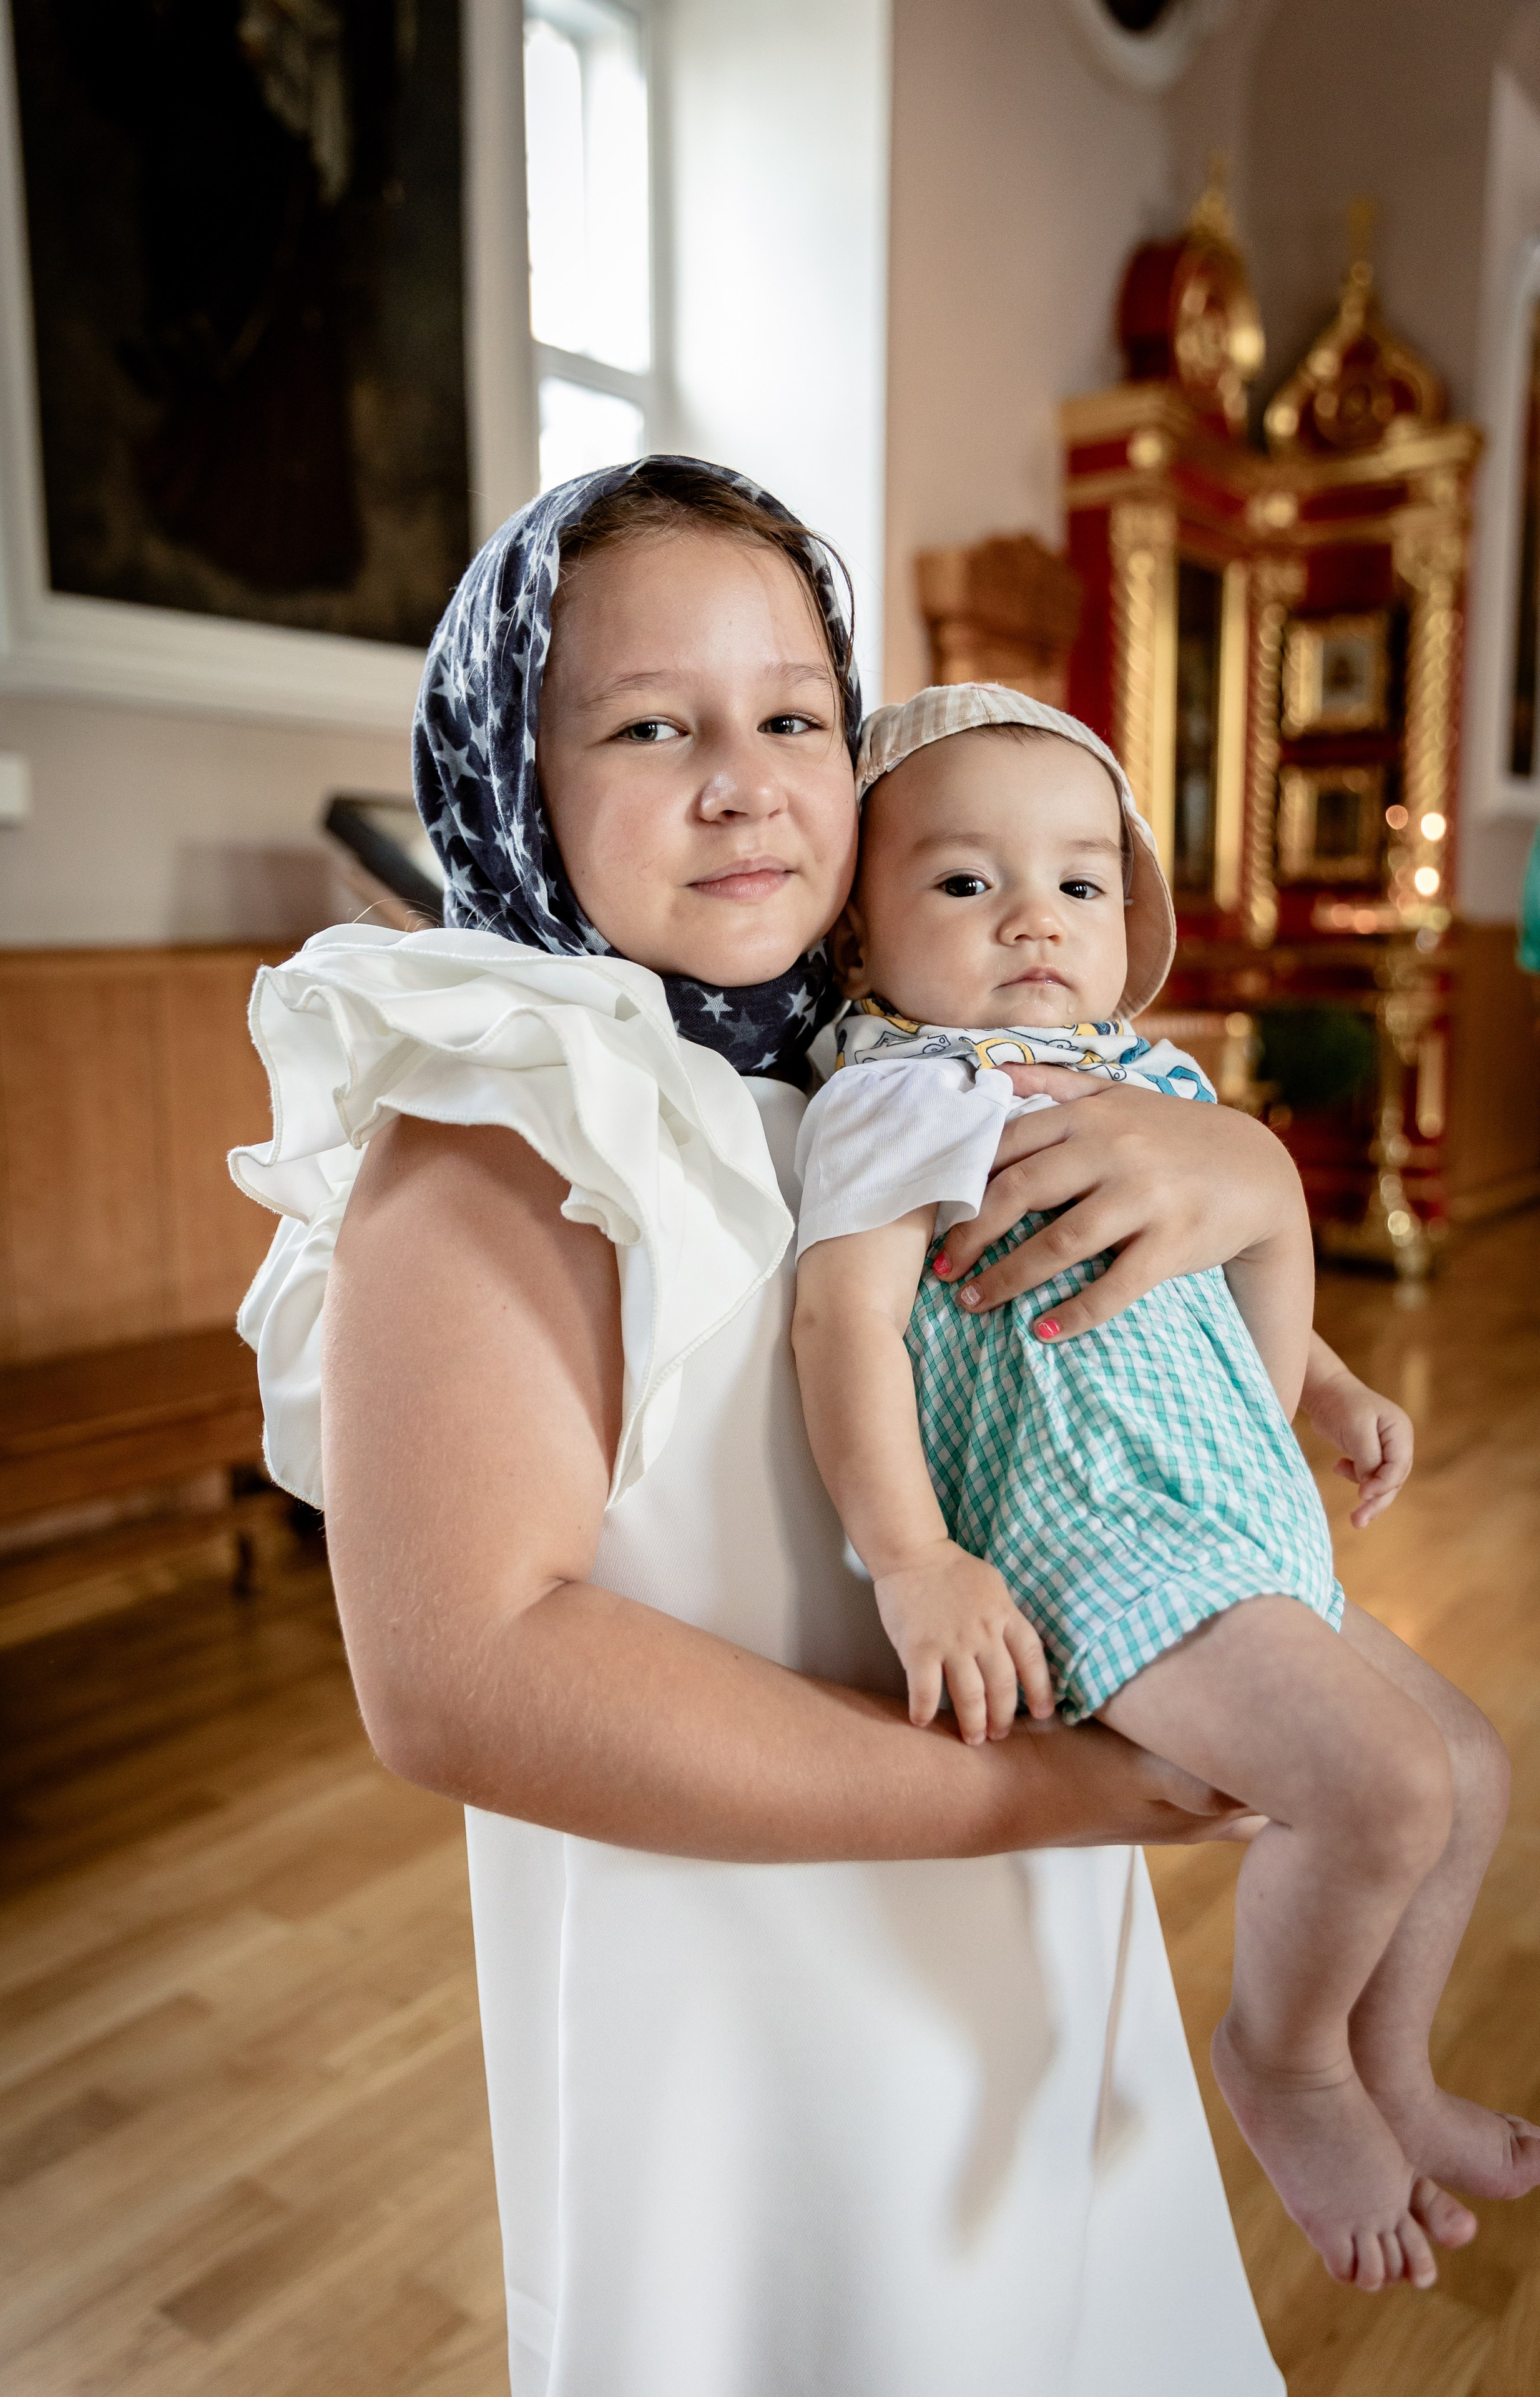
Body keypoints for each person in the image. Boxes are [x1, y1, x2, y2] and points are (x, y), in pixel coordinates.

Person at [230, 458, 1471, 2396]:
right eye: (652, 727)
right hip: (749, 2005)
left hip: (1010, 1926)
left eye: (796, 719)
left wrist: (1240, 1172)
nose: (745, 784)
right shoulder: (499, 1132)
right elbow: (462, 1680)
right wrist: (1063, 1793)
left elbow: (1100, 1336)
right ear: (512, 774)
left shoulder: (871, 1063)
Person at [791, 682, 1537, 2297]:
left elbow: (1199, 1267)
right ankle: (1288, 2062)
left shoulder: (1145, 1078)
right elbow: (839, 1322)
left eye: (1081, 880)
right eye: (966, 880)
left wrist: (1329, 1383)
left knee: (1471, 1771)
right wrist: (912, 1559)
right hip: (1094, 1528)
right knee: (1383, 1790)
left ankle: (1392, 2067)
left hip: (1225, 1507)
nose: (1035, 919)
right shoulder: (898, 1094)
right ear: (855, 930)